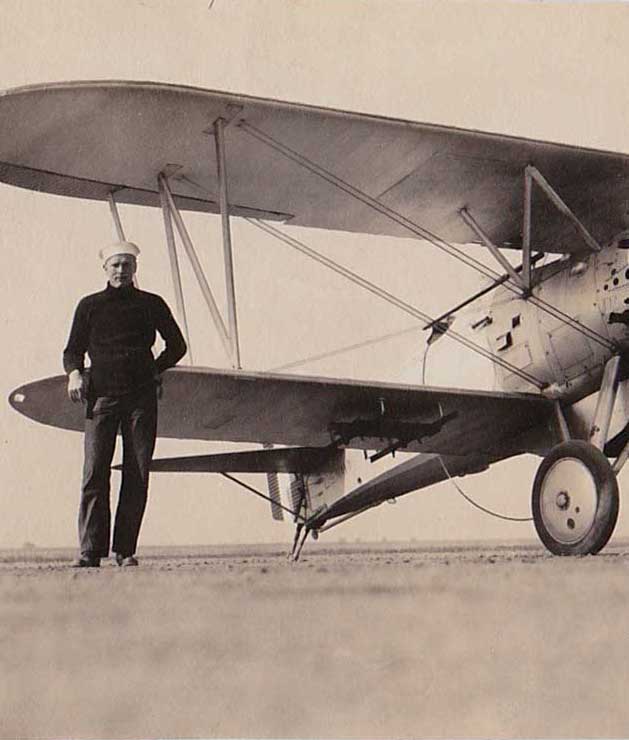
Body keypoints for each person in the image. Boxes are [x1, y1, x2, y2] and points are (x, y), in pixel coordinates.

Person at [63, 241, 187, 567]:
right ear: (105, 269)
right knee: (94, 473)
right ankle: (90, 552)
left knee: (137, 473)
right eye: (115, 265)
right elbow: (72, 350)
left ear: (135, 269)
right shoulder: (89, 305)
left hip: (140, 399)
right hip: (100, 397)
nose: (121, 271)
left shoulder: (151, 303)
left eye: (126, 265)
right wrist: (74, 374)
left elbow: (177, 345)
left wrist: (154, 370)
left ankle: (124, 550)